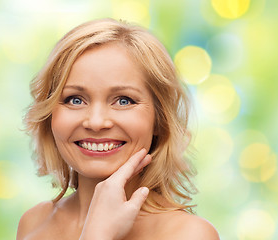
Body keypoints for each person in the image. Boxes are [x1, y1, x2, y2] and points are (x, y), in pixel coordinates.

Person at [17, 18, 220, 240]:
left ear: (159, 120)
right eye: (75, 100)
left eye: (123, 100)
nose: (95, 122)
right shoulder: (33, 224)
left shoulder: (188, 234)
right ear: (49, 115)